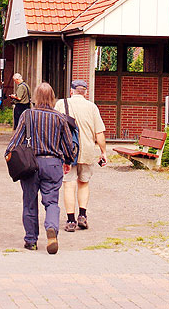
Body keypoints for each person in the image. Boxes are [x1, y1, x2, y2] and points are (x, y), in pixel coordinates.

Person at [4, 82, 76, 254]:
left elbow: (15, 141)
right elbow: (67, 144)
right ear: (52, 98)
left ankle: (31, 240)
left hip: (31, 165)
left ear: (36, 97)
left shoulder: (27, 115)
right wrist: (68, 160)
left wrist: (9, 156)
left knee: (29, 203)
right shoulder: (59, 117)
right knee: (51, 201)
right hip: (52, 164)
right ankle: (51, 229)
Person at [55, 79, 107, 232]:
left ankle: (71, 221)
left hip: (68, 153)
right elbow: (99, 133)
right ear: (85, 92)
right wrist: (103, 152)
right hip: (88, 152)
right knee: (83, 183)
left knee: (69, 185)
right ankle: (82, 215)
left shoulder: (61, 104)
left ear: (71, 91)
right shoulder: (92, 107)